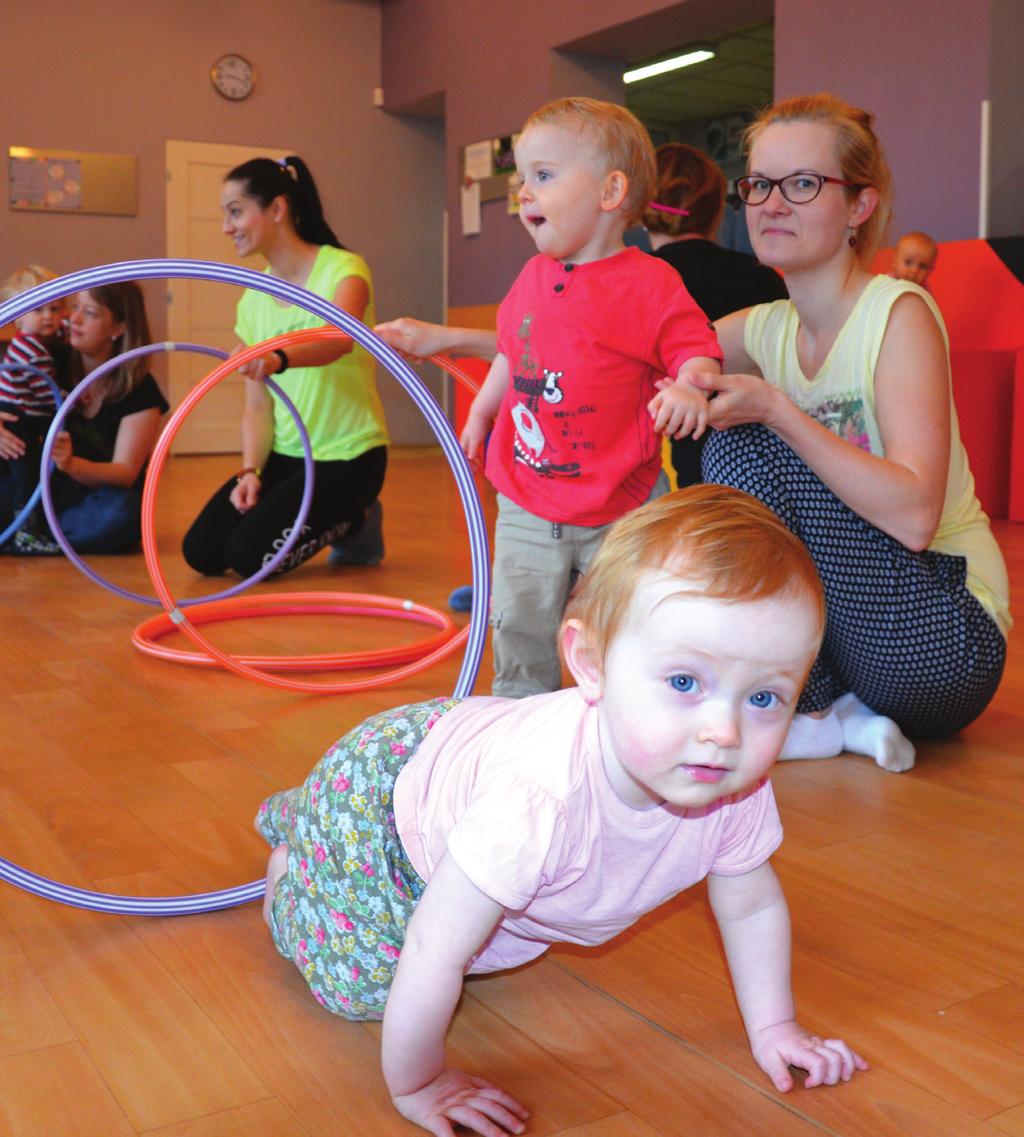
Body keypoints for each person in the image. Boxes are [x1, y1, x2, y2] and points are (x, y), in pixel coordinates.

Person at [256, 485, 867, 1136]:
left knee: (483, 933)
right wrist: (422, 1082)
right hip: (385, 812)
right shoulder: (537, 803)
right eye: (685, 682)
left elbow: (751, 903)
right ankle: (288, 877)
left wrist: (775, 1027)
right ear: (589, 664)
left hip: (464, 756)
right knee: (367, 986)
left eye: (766, 698)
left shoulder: (727, 779)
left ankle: (303, 826)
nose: (725, 729)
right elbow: (433, 948)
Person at [687, 93, 1010, 773]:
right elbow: (635, 348)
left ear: (859, 207)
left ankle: (811, 704)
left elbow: (917, 516)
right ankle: (826, 708)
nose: (773, 203)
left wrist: (779, 410)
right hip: (853, 644)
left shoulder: (898, 312)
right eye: (760, 184)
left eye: (803, 184)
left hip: (945, 641)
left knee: (742, 440)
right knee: (721, 426)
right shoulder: (766, 326)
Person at [457, 97, 723, 697]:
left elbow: (697, 348)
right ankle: (519, 723)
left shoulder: (651, 283)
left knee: (621, 624)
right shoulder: (531, 277)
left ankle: (618, 713)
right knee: (521, 623)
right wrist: (482, 409)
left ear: (610, 192)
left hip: (620, 506)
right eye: (522, 178)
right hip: (527, 497)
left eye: (543, 176)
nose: (523, 192)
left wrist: (688, 384)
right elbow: (510, 351)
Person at [182, 155, 388, 579]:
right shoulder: (252, 301)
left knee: (247, 558)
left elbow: (339, 339)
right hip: (287, 457)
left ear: (276, 209)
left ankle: (357, 519)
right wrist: (250, 471)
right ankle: (320, 508)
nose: (226, 227)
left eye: (236, 212)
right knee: (201, 552)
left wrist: (277, 358)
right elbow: (257, 407)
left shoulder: (343, 269)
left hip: (348, 457)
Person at [645, 143, 788, 487]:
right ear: (718, 210)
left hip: (690, 472)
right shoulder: (761, 275)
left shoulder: (639, 285)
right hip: (773, 467)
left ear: (642, 211)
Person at [0, 281, 167, 555]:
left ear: (118, 329)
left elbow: (125, 473)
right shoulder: (49, 359)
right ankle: (34, 534)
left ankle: (30, 536)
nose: (73, 319)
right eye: (74, 307)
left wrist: (71, 464)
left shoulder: (140, 390)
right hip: (37, 488)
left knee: (121, 512)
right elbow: (9, 388)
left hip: (93, 495)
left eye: (90, 313)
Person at [0, 265, 69, 554]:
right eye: (39, 311)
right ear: (18, 316)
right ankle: (26, 534)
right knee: (27, 477)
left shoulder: (32, 340)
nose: (49, 318)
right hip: (19, 419)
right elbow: (47, 392)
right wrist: (70, 398)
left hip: (25, 415)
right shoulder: (32, 350)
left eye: (55, 309)